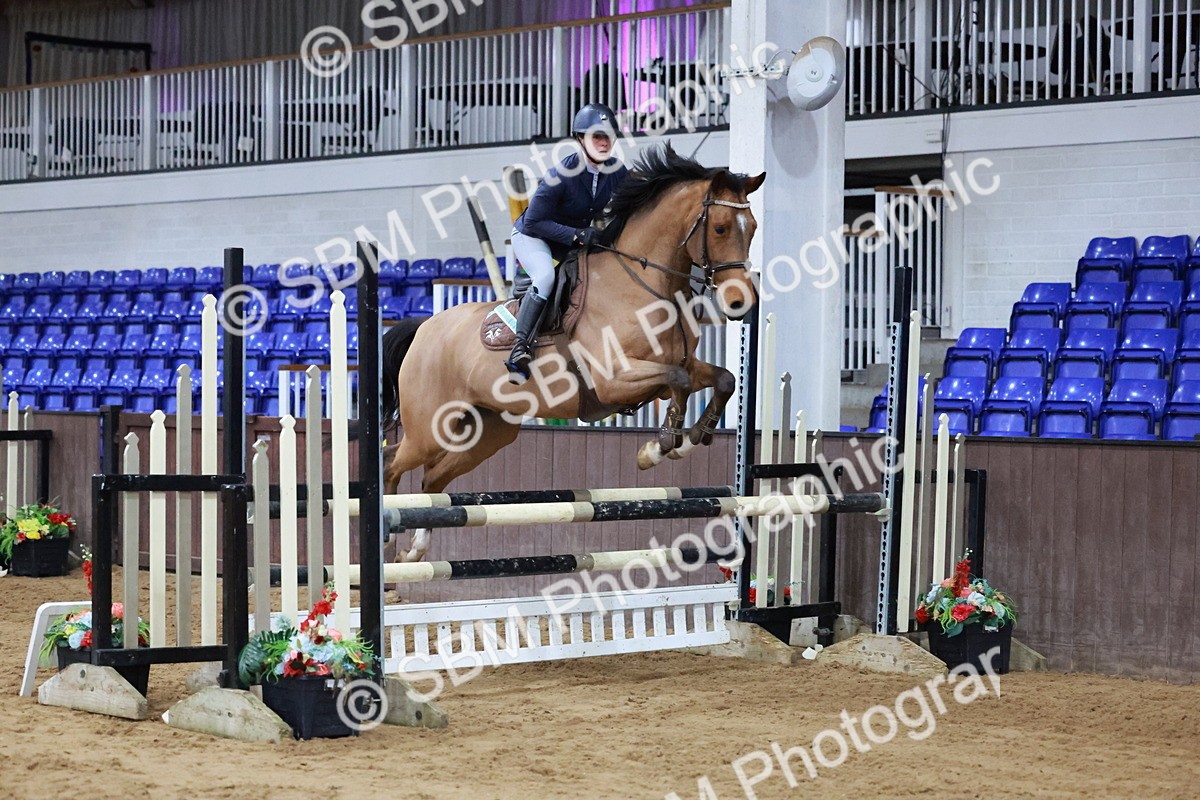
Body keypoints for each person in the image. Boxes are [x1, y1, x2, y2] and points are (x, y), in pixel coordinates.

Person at [506, 102, 628, 381]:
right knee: (546, 277)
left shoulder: (618, 172)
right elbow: (535, 221)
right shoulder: (561, 173)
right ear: (580, 139)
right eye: (597, 136)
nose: (604, 142)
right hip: (532, 236)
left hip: (571, 242)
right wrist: (576, 235)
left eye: (608, 136)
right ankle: (519, 348)